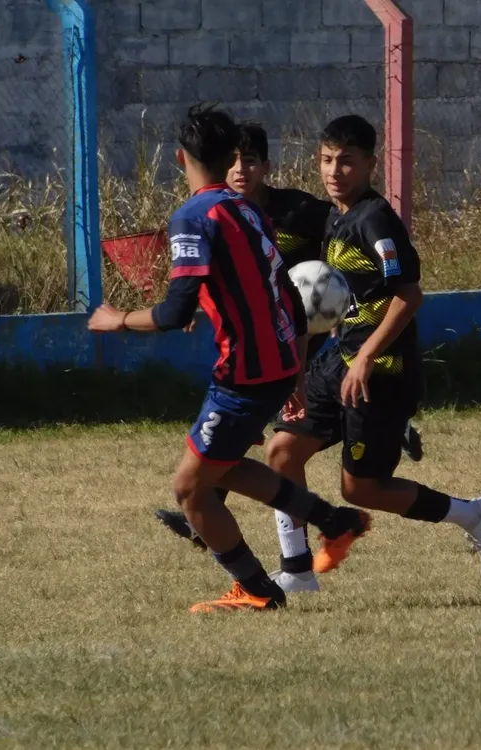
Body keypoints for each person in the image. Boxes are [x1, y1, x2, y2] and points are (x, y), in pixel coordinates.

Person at [88, 104, 370, 612]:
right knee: (220, 465)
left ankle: (258, 590)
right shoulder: (248, 210)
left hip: (244, 373)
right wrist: (297, 371)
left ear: (180, 158)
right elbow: (284, 288)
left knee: (190, 490)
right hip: (276, 363)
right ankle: (334, 520)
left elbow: (176, 311)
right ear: (227, 158)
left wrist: (119, 318)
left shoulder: (194, 216)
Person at [152, 122, 425, 565]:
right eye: (234, 160)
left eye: (252, 160)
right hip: (286, 340)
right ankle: (289, 548)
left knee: (253, 434)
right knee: (264, 441)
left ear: (266, 166)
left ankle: (224, 516)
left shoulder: (305, 212)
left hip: (309, 342)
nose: (242, 170)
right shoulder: (226, 213)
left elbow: (383, 268)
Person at [265, 114, 481, 591]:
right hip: (338, 362)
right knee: (281, 450)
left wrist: (370, 357)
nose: (335, 171)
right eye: (327, 160)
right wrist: (298, 375)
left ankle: (475, 514)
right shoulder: (334, 214)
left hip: (380, 372)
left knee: (362, 490)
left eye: (347, 162)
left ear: (371, 164)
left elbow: (407, 294)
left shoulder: (375, 219)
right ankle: (296, 571)